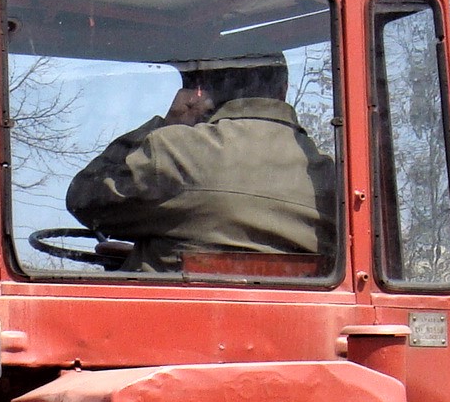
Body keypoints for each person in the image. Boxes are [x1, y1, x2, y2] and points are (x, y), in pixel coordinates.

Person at [65, 56, 336, 268]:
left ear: (204, 92)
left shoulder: (174, 150)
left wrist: (165, 125)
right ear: (284, 89)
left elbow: (85, 198)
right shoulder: (331, 177)